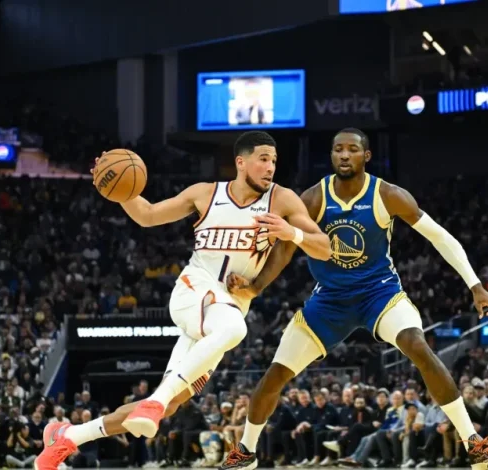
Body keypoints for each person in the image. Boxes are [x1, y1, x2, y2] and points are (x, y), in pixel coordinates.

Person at [220, 128, 488, 470]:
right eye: (338, 150)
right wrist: (254, 287)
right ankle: (246, 452)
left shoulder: (388, 195)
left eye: (352, 149)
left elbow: (440, 236)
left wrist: (475, 285)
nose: (344, 155)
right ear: (331, 156)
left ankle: (474, 444)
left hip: (379, 294)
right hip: (329, 301)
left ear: (366, 155)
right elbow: (285, 248)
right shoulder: (314, 198)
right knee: (275, 376)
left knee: (417, 344)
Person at [35, 131, 331, 470]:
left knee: (172, 404)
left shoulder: (283, 200)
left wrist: (290, 232)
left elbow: (325, 247)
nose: (270, 167)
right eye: (263, 159)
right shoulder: (205, 193)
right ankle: (154, 403)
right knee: (235, 329)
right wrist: (120, 189)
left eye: (274, 161)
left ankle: (67, 436)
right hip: (195, 291)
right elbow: (146, 215)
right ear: (241, 162)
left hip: (221, 314)